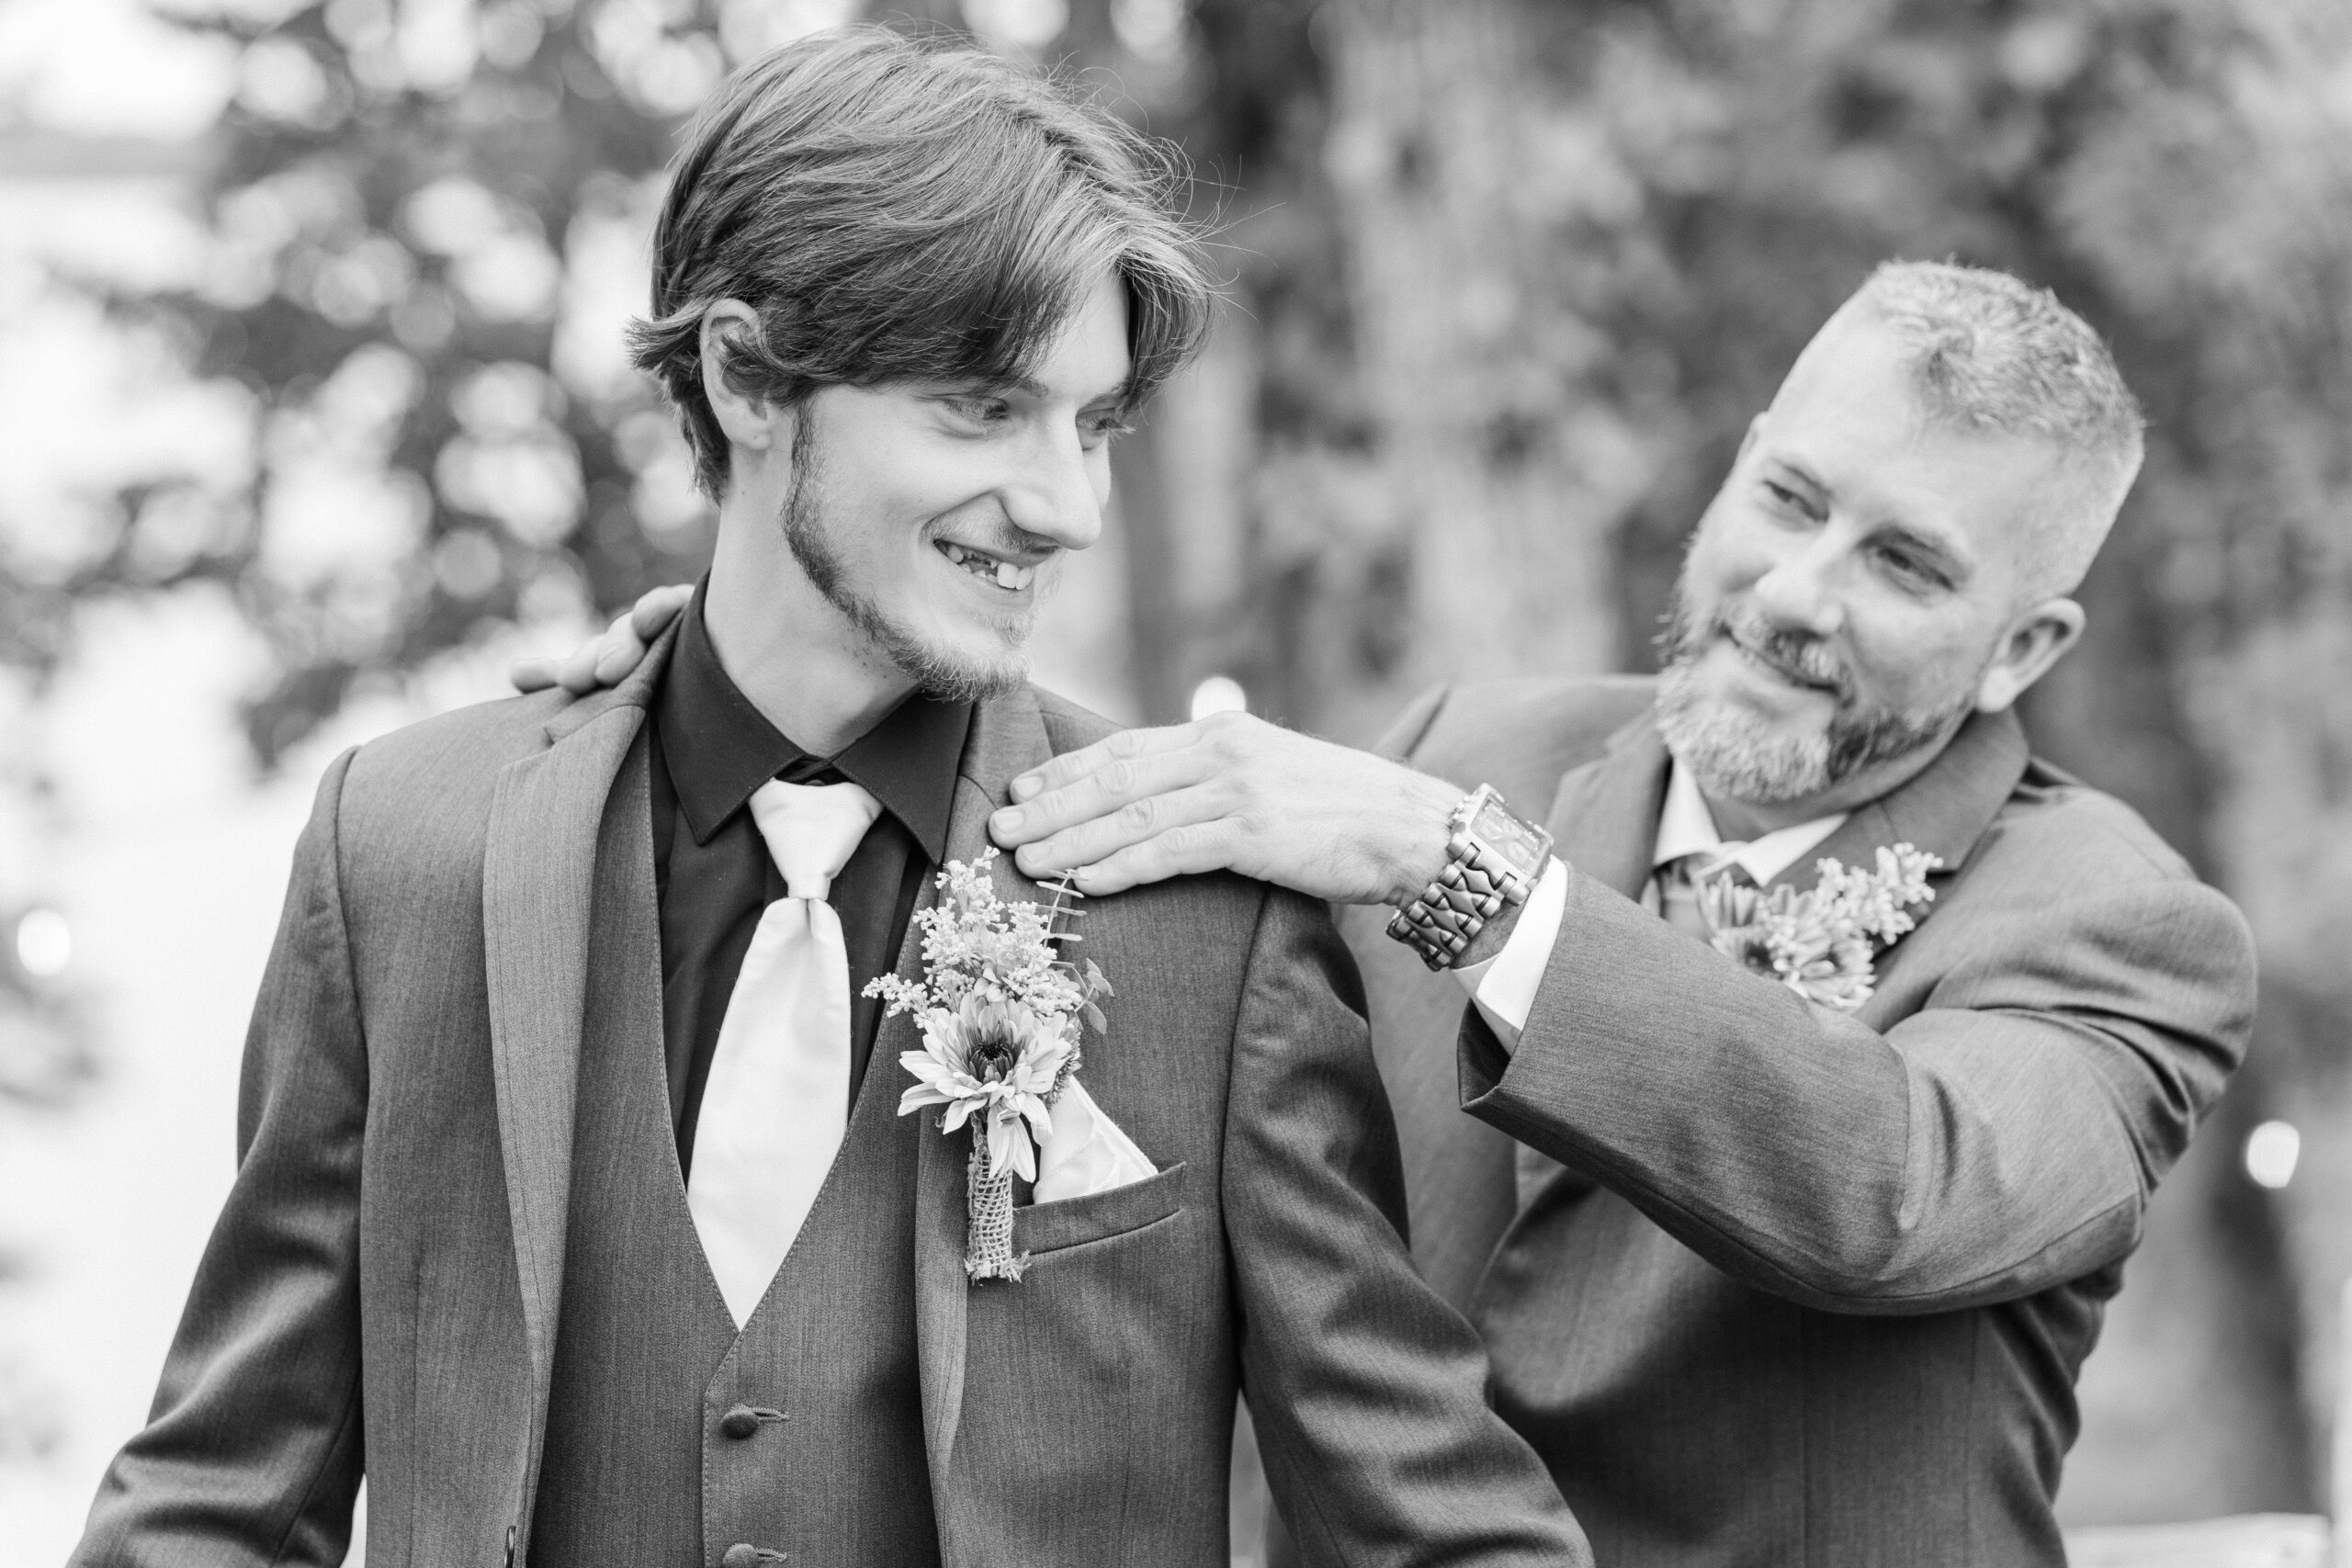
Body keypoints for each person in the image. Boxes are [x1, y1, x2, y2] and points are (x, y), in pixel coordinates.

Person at [74, 29, 1591, 1568]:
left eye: (1095, 424)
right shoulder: (405, 846)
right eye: (983, 409)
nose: (1065, 506)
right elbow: (216, 1500)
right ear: (744, 375)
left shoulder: (1207, 906)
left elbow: (1439, 1533)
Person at [569, 260, 2259, 1565]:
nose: (1799, 595)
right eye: (1794, 502)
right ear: (1740, 468)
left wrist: (1464, 871)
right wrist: (776, 674)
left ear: (2028, 646)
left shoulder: (2120, 928)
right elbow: (1101, 859)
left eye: (1908, 567)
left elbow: (1896, 1190)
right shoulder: (1477, 749)